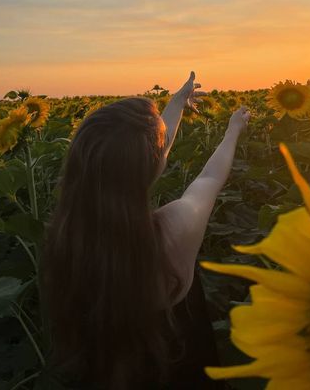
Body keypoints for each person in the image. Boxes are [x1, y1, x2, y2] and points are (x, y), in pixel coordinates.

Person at [40, 72, 250, 389]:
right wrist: (232, 131)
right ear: (151, 166)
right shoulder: (173, 230)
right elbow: (207, 180)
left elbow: (146, 156)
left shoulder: (66, 241)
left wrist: (177, 104)